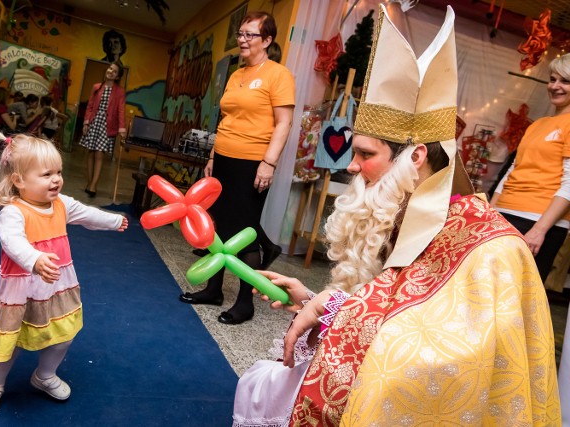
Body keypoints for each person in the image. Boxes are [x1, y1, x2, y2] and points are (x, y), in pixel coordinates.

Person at [232, 6, 560, 426]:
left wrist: (334, 310)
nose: (352, 167)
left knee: (263, 390)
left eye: (366, 155)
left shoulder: (490, 250)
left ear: (417, 156)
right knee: (260, 385)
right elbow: (395, 312)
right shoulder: (405, 209)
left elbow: (438, 370)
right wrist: (317, 301)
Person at [0, 127, 128, 416]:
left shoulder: (61, 204)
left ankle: (44, 375)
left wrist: (113, 220)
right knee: (10, 342)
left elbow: (86, 213)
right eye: (46, 174)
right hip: (22, 290)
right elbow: (12, 242)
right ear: (18, 180)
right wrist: (34, 259)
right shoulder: (13, 212)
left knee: (63, 335)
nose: (56, 179)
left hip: (56, 288)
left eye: (58, 171)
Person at [179, 11, 295, 325]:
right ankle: (213, 289)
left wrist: (268, 163)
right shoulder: (236, 74)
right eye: (240, 34)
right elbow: (226, 120)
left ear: (267, 40)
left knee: (244, 232)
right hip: (224, 160)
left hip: (252, 163)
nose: (241, 40)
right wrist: (214, 156)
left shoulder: (278, 74)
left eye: (249, 34)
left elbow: (284, 123)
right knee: (216, 227)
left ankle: (245, 302)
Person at [490, 53, 570, 284]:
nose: (555, 86)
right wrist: (492, 212)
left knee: (516, 297)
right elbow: (512, 170)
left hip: (538, 220)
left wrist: (540, 229)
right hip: (505, 213)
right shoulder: (538, 124)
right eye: (553, 79)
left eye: (564, 81)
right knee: (487, 290)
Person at [79, 62, 126, 198]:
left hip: (107, 125)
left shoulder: (120, 91)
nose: (111, 71)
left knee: (99, 155)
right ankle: (89, 182)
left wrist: (121, 128)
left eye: (115, 71)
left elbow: (121, 110)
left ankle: (93, 185)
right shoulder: (96, 87)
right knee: (91, 152)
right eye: (110, 68)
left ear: (117, 77)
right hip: (94, 122)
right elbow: (90, 106)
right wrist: (86, 122)